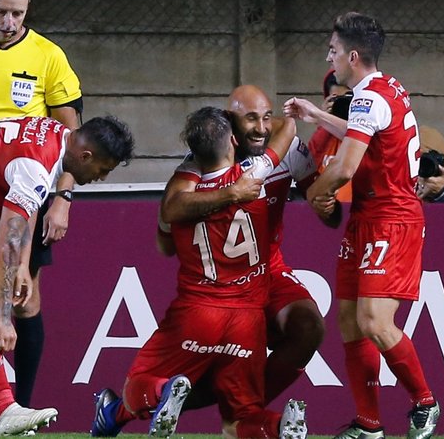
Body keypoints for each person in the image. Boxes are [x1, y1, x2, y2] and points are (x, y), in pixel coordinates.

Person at [90, 107, 307, 439]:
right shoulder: (255, 178)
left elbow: (166, 230)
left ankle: (164, 391)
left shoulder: (181, 201)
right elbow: (289, 127)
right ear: (233, 140)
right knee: (241, 416)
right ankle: (278, 426)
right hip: (247, 321)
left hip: (197, 314)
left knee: (137, 384)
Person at [283, 12, 440, 439]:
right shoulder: (384, 89)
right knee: (350, 321)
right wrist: (317, 114)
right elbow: (360, 132)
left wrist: (318, 191)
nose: (329, 57)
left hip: (392, 217)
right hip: (368, 218)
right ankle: (369, 425)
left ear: (352, 56)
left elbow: (346, 166)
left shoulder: (368, 97)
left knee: (374, 320)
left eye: (333, 51)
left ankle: (425, 403)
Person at [160, 85, 339, 411]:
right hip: (219, 283)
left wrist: (327, 203)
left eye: (267, 117)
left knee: (308, 327)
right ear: (230, 122)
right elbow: (171, 209)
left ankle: (242, 411)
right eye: (251, 119)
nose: (260, 128)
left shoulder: (291, 151)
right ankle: (138, 407)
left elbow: (324, 204)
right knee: (219, 367)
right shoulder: (206, 158)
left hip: (268, 270)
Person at [0, 115, 134, 435]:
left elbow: (25, 212)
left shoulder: (55, 136)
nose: (100, 178)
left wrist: (24, 264)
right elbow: (6, 242)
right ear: (86, 156)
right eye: (103, 170)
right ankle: (4, 407)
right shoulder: (37, 165)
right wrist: (3, 316)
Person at [0, 0, 83, 423]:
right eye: (3, 11)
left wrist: (63, 197)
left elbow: (74, 139)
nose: (10, 21)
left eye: (19, 13)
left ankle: (19, 407)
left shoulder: (49, 57)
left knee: (22, 300)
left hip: (27, 187)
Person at [307, 69, 353, 203]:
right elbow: (310, 164)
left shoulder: (372, 133)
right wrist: (325, 119)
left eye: (347, 99)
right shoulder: (324, 135)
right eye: (336, 99)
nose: (343, 104)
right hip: (330, 213)